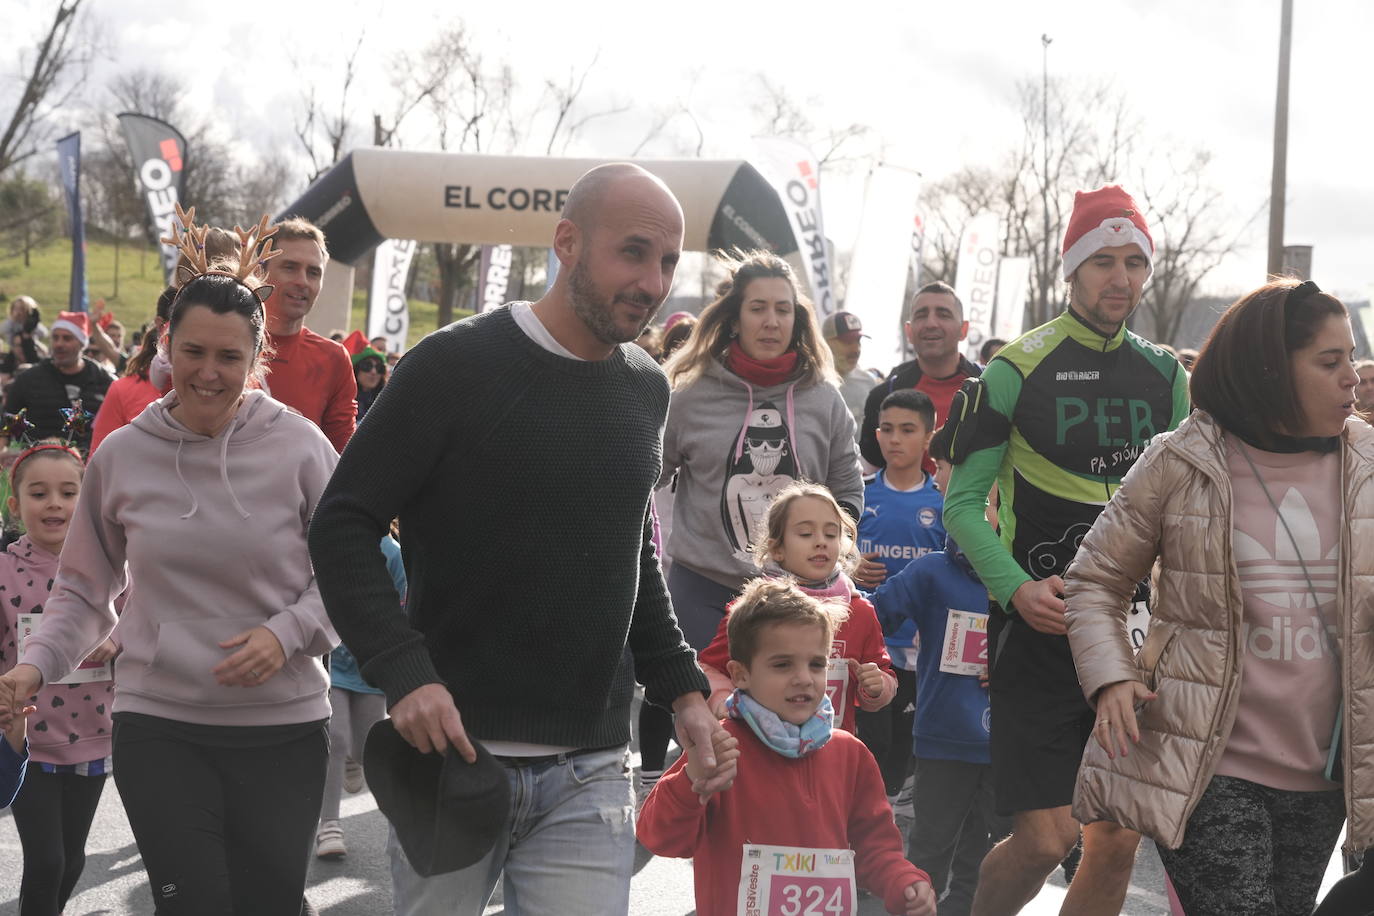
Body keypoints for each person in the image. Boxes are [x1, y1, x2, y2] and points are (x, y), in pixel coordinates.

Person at [308, 163, 725, 916]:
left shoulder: (646, 386)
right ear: (567, 242)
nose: (654, 281)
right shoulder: (451, 366)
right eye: (633, 252)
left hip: (594, 770)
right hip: (451, 764)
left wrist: (684, 691)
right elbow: (343, 523)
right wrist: (403, 670)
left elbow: (630, 551)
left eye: (668, 261)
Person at [0, 213, 340, 915]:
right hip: (159, 722)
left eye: (228, 358)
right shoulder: (123, 455)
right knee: (193, 905)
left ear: (256, 360)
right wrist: (33, 666)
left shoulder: (302, 449)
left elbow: (348, 574)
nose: (208, 374)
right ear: (165, 344)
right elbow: (85, 589)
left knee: (269, 904)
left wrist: (286, 633)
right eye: (193, 352)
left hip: (284, 728)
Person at [1064, 278, 1372, 916]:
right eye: (1329, 360)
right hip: (1206, 764)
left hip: (1324, 776)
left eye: (1351, 358)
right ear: (1270, 369)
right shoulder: (1181, 460)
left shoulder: (1367, 461)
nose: (1353, 377)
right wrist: (1112, 675)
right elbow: (1094, 580)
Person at [942, 185, 1190, 916]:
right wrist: (1016, 589)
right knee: (1048, 839)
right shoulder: (1014, 370)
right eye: (1104, 262)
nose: (1121, 279)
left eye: (1135, 263)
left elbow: (1178, 512)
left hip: (1130, 636)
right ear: (1073, 272)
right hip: (1040, 628)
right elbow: (960, 506)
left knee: (1115, 841)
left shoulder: (1168, 376)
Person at [640, 250, 863, 803]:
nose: (771, 321)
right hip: (701, 586)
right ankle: (700, 844)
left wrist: (824, 556)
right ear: (734, 317)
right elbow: (644, 479)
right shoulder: (688, 393)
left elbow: (848, 492)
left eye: (783, 310)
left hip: (794, 598)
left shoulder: (823, 397)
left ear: (798, 320)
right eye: (758, 308)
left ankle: (766, 855)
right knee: (711, 735)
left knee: (780, 739)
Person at [637, 577, 937, 916]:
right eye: (782, 664)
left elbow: (875, 847)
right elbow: (657, 836)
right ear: (740, 674)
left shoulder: (850, 754)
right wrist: (693, 781)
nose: (803, 678)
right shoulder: (720, 747)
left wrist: (903, 881)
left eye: (816, 663)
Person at [870, 426, 1010, 916]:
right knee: (927, 856)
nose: (981, 519)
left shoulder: (1032, 578)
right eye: (970, 506)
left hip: (1008, 746)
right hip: (942, 742)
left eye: (994, 505)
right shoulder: (931, 571)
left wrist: (1013, 661)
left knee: (983, 860)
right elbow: (869, 615)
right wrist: (826, 586)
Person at [0, 442, 116, 916]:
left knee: (71, 860)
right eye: (39, 493)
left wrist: (118, 637)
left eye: (69, 492)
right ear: (15, 504)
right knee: (46, 860)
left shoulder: (109, 567)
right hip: (30, 737)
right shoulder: (4, 569)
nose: (55, 503)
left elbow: (143, 613)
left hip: (95, 733)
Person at [695, 481, 897, 735]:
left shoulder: (860, 611)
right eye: (805, 534)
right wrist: (724, 704)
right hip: (762, 751)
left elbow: (881, 676)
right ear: (777, 549)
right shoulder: (756, 609)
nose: (821, 542)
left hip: (829, 751)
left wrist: (877, 685)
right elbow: (709, 668)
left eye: (831, 534)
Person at [851, 389, 945, 806]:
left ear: (928, 437)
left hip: (922, 648)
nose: (895, 439)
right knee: (871, 746)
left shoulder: (943, 501)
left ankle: (893, 816)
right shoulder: (859, 495)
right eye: (887, 430)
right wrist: (851, 566)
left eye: (908, 430)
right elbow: (830, 560)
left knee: (904, 752)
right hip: (870, 647)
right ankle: (865, 816)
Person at [316, 528, 404, 860]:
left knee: (366, 746)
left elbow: (402, 607)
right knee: (334, 737)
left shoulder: (391, 552)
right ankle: (329, 826)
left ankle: (354, 755)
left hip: (369, 664)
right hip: (331, 662)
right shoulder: (329, 540)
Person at [860, 282, 981, 473]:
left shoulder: (990, 387)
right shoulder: (883, 396)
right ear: (909, 331)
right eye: (921, 315)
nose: (931, 323)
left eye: (943, 314)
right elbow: (870, 479)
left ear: (963, 330)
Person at [261, 218, 357, 452]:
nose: (302, 281)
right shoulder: (223, 344)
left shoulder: (334, 358)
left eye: (313, 272)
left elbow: (340, 455)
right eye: (290, 267)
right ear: (259, 270)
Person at [2, 312, 114, 453]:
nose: (59, 344)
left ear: (82, 343)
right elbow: (6, 426)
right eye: (55, 338)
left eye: (67, 338)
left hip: (90, 465)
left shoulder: (104, 380)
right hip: (37, 462)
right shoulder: (28, 379)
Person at [823, 310, 882, 431]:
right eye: (848, 342)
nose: (856, 349)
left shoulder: (868, 382)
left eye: (858, 341)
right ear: (826, 343)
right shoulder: (809, 384)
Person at [351, 347, 387, 420]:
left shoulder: (386, 401)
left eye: (379, 368)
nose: (374, 372)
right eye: (367, 366)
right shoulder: (343, 398)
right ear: (356, 370)